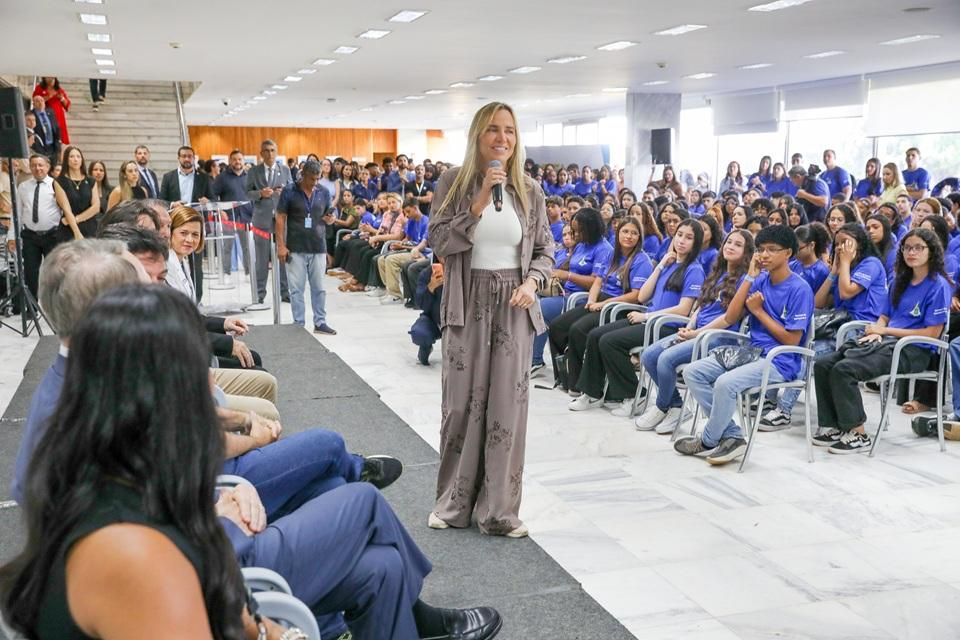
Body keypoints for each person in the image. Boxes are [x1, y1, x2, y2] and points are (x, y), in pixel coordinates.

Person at [2, 281, 503, 640]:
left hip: (218, 562)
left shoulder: (103, 443)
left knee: (383, 566)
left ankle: (410, 619)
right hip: (228, 572)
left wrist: (220, 499)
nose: (207, 382)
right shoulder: (127, 554)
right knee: (360, 499)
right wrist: (271, 629)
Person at [427, 101, 553, 537]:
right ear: (477, 136)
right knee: (460, 404)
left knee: (506, 408)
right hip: (467, 301)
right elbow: (440, 241)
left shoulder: (530, 190)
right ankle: (453, 504)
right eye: (493, 130)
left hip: (514, 305)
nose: (503, 138)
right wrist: (478, 203)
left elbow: (545, 250)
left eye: (510, 131)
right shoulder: (453, 182)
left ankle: (498, 511)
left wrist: (532, 282)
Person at [676, 224, 814, 465]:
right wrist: (749, 278)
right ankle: (731, 435)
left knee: (725, 384)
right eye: (761, 249)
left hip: (780, 360)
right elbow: (731, 316)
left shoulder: (799, 289)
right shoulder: (760, 280)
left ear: (788, 253)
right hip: (752, 352)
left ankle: (708, 440)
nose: (764, 255)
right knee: (693, 372)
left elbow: (792, 340)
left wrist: (759, 313)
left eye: (772, 250)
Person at [813, 228, 950, 453]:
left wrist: (885, 331)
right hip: (887, 343)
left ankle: (858, 434)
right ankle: (835, 426)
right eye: (907, 248)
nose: (911, 252)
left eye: (918, 248)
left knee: (845, 369)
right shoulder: (900, 281)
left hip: (914, 350)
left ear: (931, 251)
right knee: (823, 363)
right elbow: (885, 315)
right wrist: (878, 330)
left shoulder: (938, 285)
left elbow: (932, 334)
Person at [635, 229, 755, 432]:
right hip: (697, 332)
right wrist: (690, 326)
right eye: (729, 242)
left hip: (719, 337)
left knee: (666, 359)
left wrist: (697, 334)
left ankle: (663, 406)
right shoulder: (718, 273)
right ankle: (675, 406)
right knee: (649, 356)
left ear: (747, 252)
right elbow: (701, 306)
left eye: (738, 244)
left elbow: (728, 318)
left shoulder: (745, 280)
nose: (730, 247)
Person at [5, 155, 82, 300]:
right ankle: (32, 305)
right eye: (34, 165)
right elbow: (17, 213)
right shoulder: (23, 187)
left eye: (40, 165)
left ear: (47, 167)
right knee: (30, 273)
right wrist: (11, 236)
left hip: (52, 235)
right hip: (30, 236)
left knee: (54, 272)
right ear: (30, 167)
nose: (37, 168)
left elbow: (65, 209)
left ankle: (54, 303)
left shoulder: (56, 185)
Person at [276, 159, 337, 335]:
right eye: (312, 179)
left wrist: (331, 219)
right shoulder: (289, 191)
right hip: (295, 247)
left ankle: (320, 322)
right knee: (296, 290)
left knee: (319, 288)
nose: (315, 183)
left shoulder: (323, 192)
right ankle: (298, 324)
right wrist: (281, 245)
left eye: (318, 178)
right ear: (303, 175)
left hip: (318, 246)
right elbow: (280, 218)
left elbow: (329, 214)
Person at [246, 139, 292, 304]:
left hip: (281, 219)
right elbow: (247, 193)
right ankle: (259, 294)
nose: (270, 154)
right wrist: (260, 193)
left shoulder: (285, 170)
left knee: (283, 255)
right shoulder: (254, 171)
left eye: (272, 150)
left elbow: (292, 191)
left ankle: (285, 292)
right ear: (261, 153)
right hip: (261, 219)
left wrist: (284, 192)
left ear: (276, 152)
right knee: (261, 259)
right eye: (266, 150)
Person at [213, 149, 254, 276]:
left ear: (243, 161)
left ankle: (249, 272)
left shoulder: (250, 177)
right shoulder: (222, 177)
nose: (237, 162)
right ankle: (226, 272)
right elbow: (213, 195)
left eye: (240, 159)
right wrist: (220, 210)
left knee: (247, 246)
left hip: (246, 216)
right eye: (234, 159)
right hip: (228, 217)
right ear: (230, 161)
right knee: (227, 246)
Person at [55, 146, 100, 239]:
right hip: (69, 229)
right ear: (66, 160)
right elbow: (66, 209)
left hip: (89, 227)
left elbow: (96, 207)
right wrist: (77, 232)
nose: (75, 159)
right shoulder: (60, 182)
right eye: (71, 156)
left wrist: (77, 219)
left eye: (78, 156)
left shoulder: (90, 180)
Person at [33, 77, 70, 145]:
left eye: (52, 79)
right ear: (44, 78)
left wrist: (62, 98)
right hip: (45, 117)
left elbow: (67, 105)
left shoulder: (59, 89)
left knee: (60, 138)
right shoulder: (39, 88)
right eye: (48, 78)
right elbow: (35, 100)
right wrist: (48, 97)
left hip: (58, 117)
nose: (50, 80)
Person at [29, 96, 61, 164]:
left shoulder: (50, 112)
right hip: (39, 148)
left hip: (52, 148)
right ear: (33, 104)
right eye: (37, 101)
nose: (40, 103)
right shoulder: (30, 115)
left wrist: (58, 147)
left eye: (42, 101)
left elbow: (56, 128)